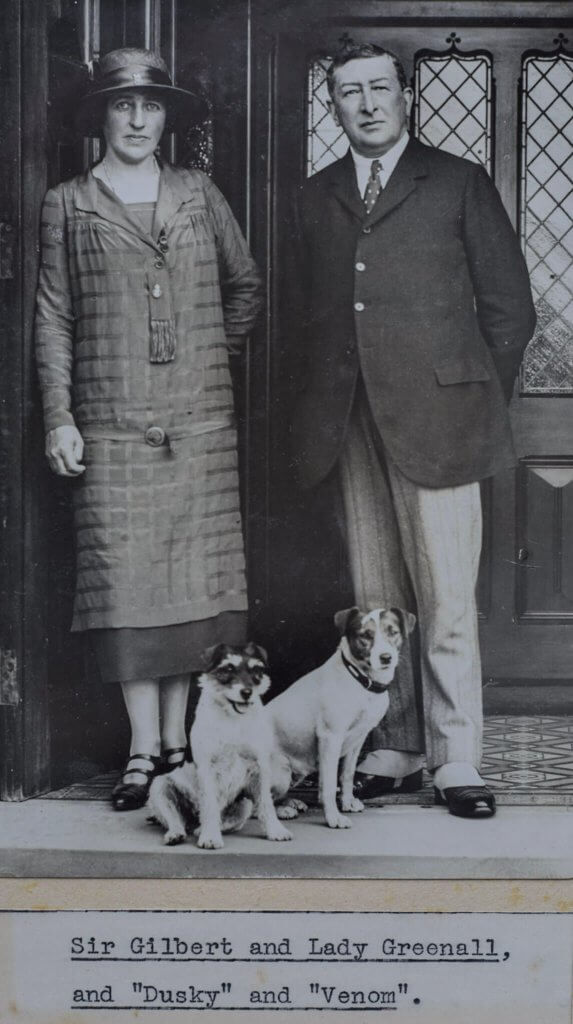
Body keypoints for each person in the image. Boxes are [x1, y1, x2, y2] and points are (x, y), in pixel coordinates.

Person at [287, 40, 536, 817]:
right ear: (333, 105)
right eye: (347, 92)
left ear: (405, 98)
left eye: (377, 89)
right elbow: (301, 318)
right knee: (375, 596)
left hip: (442, 421)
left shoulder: (457, 181)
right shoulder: (314, 195)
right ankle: (394, 748)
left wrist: (464, 395)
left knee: (446, 599)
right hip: (347, 423)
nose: (364, 104)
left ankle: (457, 758)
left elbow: (510, 313)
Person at [35, 48, 262, 811]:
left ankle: (179, 747)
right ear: (100, 115)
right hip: (112, 424)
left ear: (167, 118)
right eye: (123, 105)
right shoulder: (67, 204)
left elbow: (245, 285)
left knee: (192, 585)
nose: (137, 120)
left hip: (199, 426)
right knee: (127, 584)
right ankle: (144, 750)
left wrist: (205, 358)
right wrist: (61, 417)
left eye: (152, 106)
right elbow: (53, 317)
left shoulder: (198, 193)